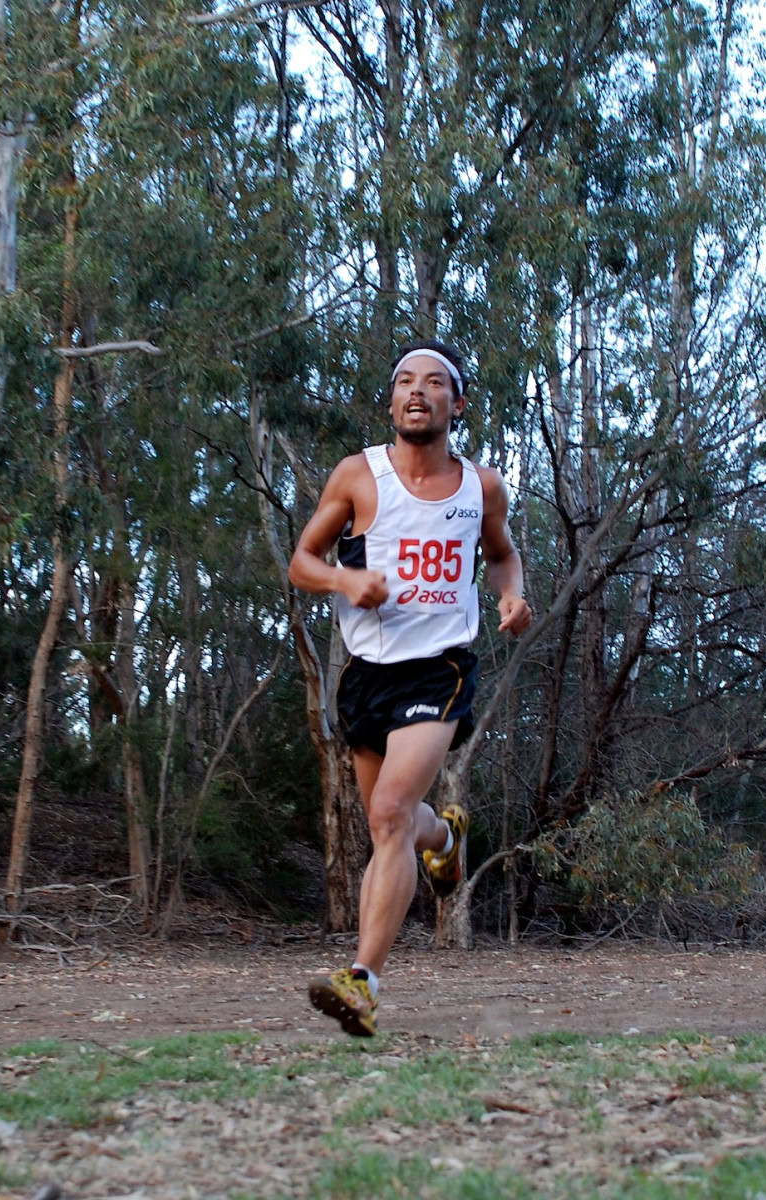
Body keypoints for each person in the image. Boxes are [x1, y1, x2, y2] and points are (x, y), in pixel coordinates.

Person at [289, 339, 533, 1037]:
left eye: (434, 383)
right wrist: (343, 578)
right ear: (392, 401)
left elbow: (502, 552)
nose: (416, 391)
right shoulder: (357, 478)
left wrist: (512, 596)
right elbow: (303, 559)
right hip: (366, 675)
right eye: (403, 382)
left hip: (440, 666)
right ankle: (446, 841)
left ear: (459, 404)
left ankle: (361, 982)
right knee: (393, 823)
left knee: (392, 811)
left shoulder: (481, 487)